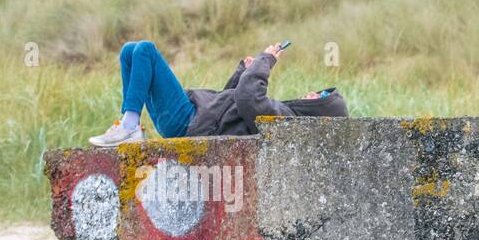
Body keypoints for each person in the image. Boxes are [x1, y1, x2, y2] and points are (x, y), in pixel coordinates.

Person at [90, 40, 348, 146]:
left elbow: (248, 98)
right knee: (129, 51)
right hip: (196, 119)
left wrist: (265, 60)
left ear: (322, 113)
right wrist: (241, 73)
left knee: (145, 49)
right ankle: (129, 124)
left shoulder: (287, 119)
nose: (313, 93)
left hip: (188, 121)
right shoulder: (282, 114)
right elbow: (227, 108)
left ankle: (131, 126)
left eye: (321, 97)